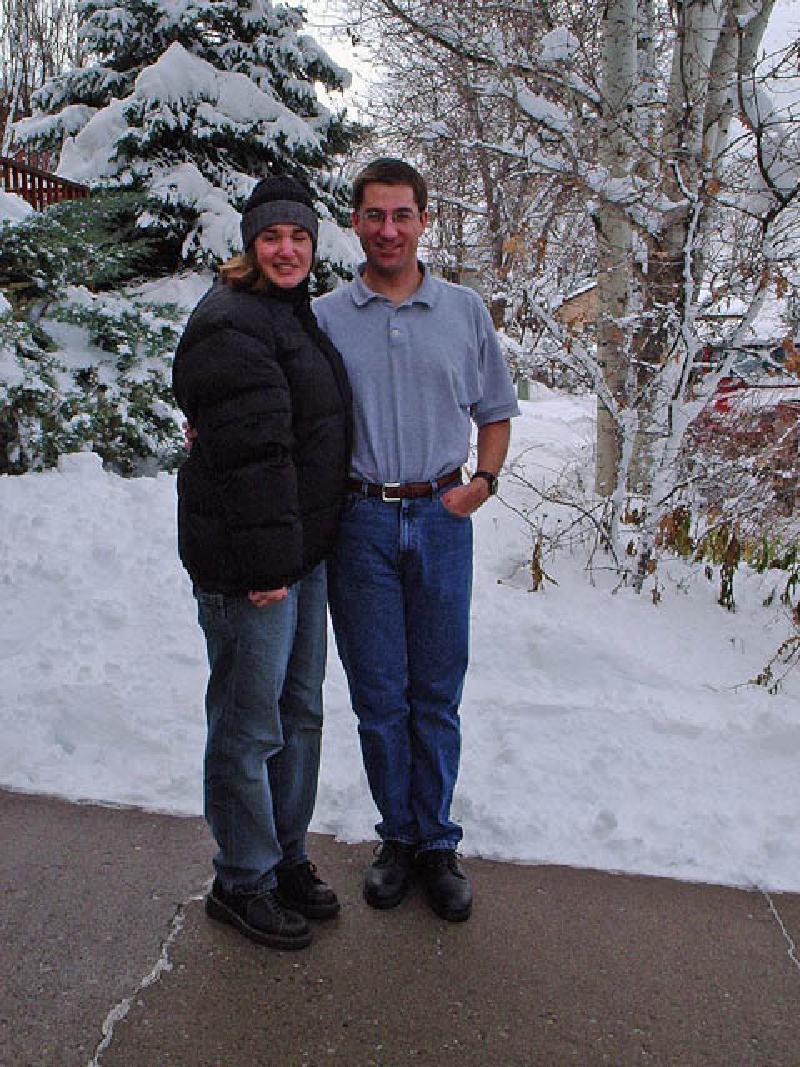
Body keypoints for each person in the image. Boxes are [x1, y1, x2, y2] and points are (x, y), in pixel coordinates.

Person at [314, 158, 519, 923]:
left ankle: (437, 842)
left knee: (436, 693)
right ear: (356, 222)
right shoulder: (329, 317)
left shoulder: (464, 311)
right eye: (374, 215)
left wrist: (486, 480)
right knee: (379, 698)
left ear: (424, 220)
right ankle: (395, 837)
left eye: (402, 215)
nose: (388, 229)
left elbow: (495, 410)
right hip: (359, 522)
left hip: (440, 516)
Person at [172, 175, 352, 950]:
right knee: (250, 727)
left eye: (300, 237)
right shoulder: (231, 321)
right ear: (250, 242)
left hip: (298, 553)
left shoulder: (285, 314)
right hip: (256, 565)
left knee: (299, 715)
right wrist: (270, 565)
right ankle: (240, 878)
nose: (287, 249)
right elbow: (253, 458)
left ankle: (281, 856)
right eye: (273, 236)